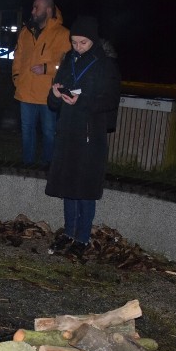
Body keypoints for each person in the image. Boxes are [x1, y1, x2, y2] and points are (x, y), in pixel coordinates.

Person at [45, 16, 121, 259]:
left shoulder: (104, 64)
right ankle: (69, 232)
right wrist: (56, 95)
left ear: (93, 41)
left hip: (90, 134)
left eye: (83, 43)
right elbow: (53, 100)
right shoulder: (68, 59)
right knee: (69, 185)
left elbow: (110, 100)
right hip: (67, 130)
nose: (77, 47)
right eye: (74, 42)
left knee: (85, 187)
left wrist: (83, 100)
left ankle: (83, 236)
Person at [12, 0, 70, 169]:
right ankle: (27, 165)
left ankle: (48, 166)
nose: (32, 11)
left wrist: (47, 68)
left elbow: (66, 64)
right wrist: (16, 76)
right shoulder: (26, 31)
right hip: (25, 91)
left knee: (49, 132)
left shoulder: (62, 34)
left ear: (48, 10)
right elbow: (18, 56)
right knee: (26, 132)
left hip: (48, 94)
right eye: (33, 7)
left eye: (36, 7)